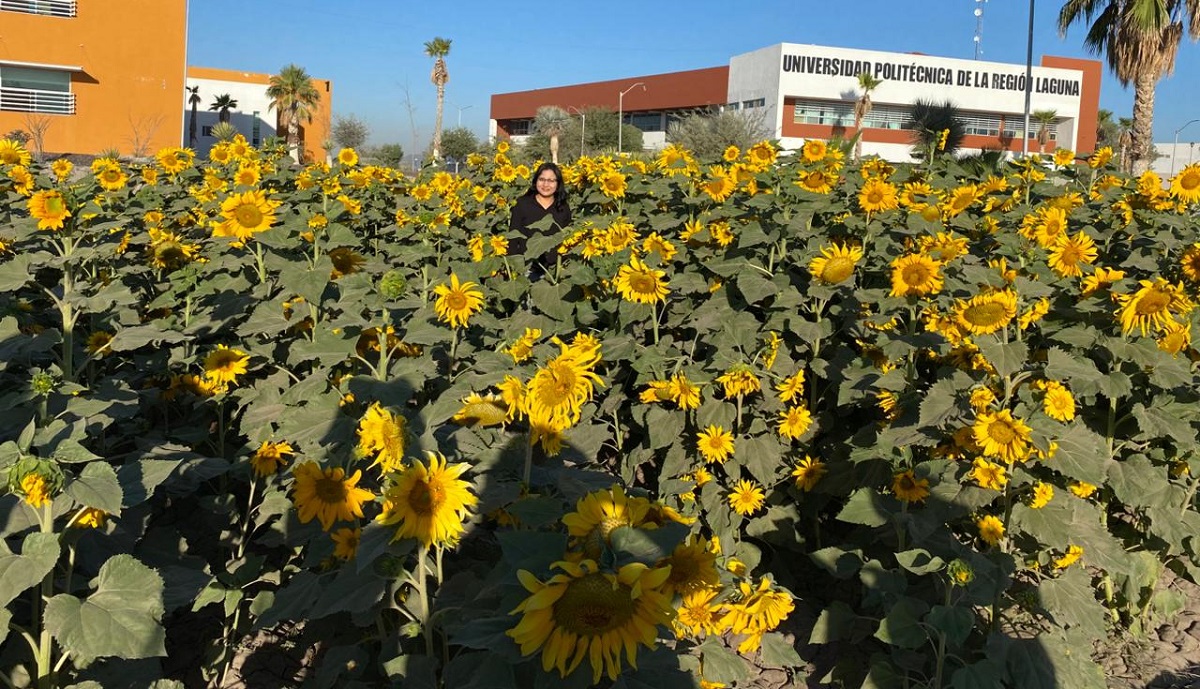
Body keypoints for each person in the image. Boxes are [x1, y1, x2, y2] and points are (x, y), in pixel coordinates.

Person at [509, 162, 572, 281]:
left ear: (558, 184)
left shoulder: (563, 207)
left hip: (556, 270)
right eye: (542, 179)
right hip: (528, 268)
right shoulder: (523, 204)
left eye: (551, 180)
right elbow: (513, 237)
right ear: (535, 181)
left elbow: (568, 238)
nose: (546, 184)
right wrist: (513, 266)